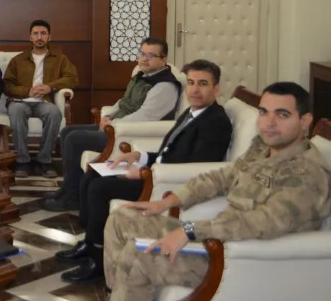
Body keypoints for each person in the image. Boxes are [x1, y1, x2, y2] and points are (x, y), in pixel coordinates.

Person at [86, 81, 331, 301]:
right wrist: (167, 201)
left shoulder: (307, 174)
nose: (269, 123)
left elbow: (263, 223)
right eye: (264, 112)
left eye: (282, 115)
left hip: (242, 257)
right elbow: (221, 178)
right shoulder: (263, 147)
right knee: (123, 218)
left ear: (305, 121)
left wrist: (190, 230)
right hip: (217, 239)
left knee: (140, 255)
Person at [56, 59, 232, 283]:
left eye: (203, 83)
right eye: (191, 83)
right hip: (157, 171)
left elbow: (196, 167)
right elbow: (169, 150)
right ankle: (91, 243)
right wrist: (140, 156)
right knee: (93, 175)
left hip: (168, 184)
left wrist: (145, 172)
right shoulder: (193, 112)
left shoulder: (216, 122)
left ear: (216, 89)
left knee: (100, 188)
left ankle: (98, 260)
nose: (195, 90)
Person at [43, 38, 180, 212]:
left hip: (128, 135)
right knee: (67, 131)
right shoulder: (141, 76)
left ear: (163, 59)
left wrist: (113, 125)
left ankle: (73, 197)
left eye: (151, 55)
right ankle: (67, 189)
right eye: (142, 54)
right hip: (116, 127)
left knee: (74, 139)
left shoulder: (165, 85)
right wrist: (106, 116)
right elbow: (123, 102)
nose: (144, 59)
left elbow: (145, 116)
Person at [3, 19, 79, 178]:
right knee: (16, 111)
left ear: (49, 37)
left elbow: (72, 79)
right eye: (36, 34)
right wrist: (28, 91)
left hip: (45, 102)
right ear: (30, 37)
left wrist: (50, 87)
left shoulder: (60, 59)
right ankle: (22, 161)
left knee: (54, 113)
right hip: (20, 101)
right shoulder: (18, 60)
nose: (39, 37)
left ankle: (44, 161)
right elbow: (7, 86)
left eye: (43, 33)